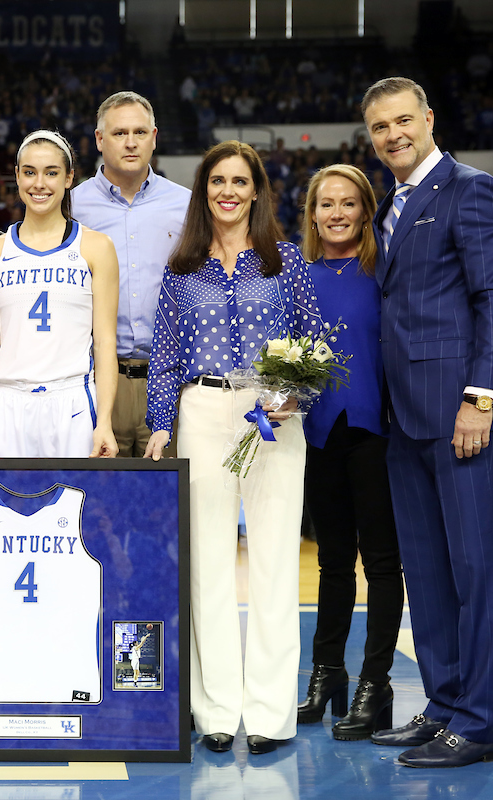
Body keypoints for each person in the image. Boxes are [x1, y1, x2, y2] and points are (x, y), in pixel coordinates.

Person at [144, 140, 324, 755]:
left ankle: (272, 713)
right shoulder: (181, 268)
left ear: (256, 191)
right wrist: (161, 426)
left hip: (273, 414)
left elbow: (313, 346)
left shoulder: (287, 263)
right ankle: (216, 710)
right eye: (217, 180)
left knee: (274, 562)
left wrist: (295, 398)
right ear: (205, 191)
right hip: (203, 410)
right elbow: (166, 360)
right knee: (209, 565)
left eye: (239, 181)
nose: (228, 190)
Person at [362, 77, 493, 768]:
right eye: (379, 127)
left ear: (428, 118)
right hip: (407, 418)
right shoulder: (393, 205)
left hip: (463, 415)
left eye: (403, 120)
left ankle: (480, 721)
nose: (393, 135)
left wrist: (480, 398)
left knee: (477, 568)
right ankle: (446, 702)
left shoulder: (471, 189)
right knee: (427, 573)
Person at [296, 164, 403, 741]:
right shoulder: (296, 273)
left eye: (348, 203)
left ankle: (375, 682)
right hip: (316, 433)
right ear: (312, 213)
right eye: (325, 204)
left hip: (378, 430)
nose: (336, 213)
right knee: (332, 561)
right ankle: (327, 673)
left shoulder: (385, 270)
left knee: (383, 563)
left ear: (366, 210)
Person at [0, 130, 119, 459]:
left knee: (73, 507)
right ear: (17, 176)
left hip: (73, 399)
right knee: (6, 507)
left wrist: (104, 420)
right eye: (30, 172)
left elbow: (105, 343)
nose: (39, 183)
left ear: (69, 178)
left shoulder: (97, 248)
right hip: (7, 400)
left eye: (51, 172)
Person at [71, 92, 191, 457]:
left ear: (154, 137)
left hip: (170, 378)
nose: (130, 141)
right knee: (101, 506)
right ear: (99, 139)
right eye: (119, 132)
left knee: (169, 507)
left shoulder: (186, 204)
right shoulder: (72, 206)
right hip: (96, 380)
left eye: (140, 132)